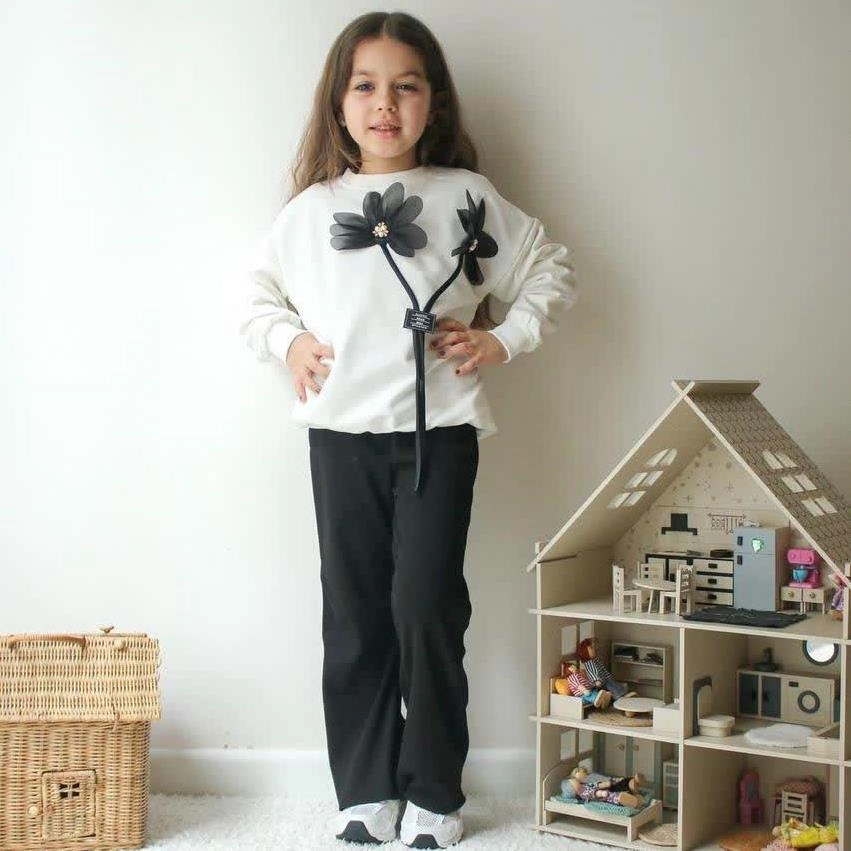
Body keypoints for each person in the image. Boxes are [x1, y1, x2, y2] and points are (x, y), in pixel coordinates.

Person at [240, 11, 577, 848]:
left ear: (433, 101)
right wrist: (289, 343)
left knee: (425, 607)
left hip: (439, 435)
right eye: (364, 86)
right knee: (354, 613)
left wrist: (502, 337)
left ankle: (432, 789)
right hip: (338, 438)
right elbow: (255, 299)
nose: (384, 104)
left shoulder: (466, 197)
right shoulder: (311, 212)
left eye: (405, 86)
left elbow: (547, 268)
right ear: (338, 102)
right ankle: (364, 788)